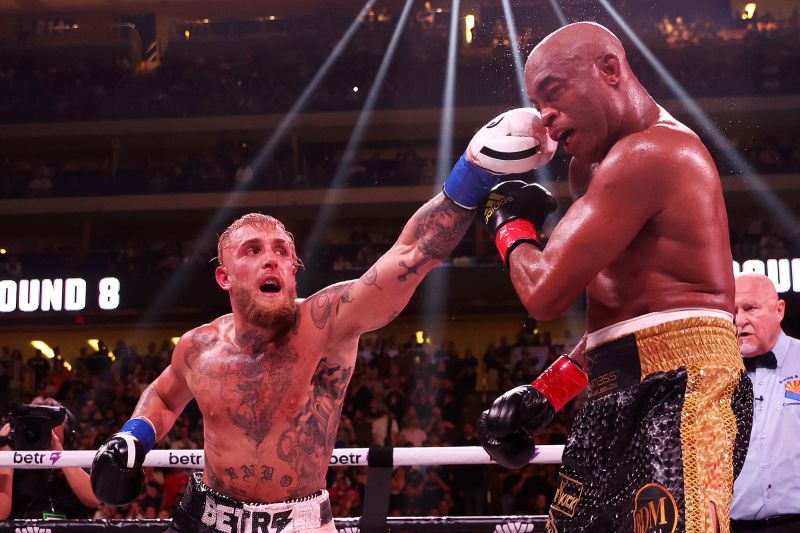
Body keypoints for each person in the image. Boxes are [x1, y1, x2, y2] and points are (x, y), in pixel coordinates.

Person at [89, 108, 556, 532]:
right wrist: (132, 437)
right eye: (253, 251)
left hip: (300, 522)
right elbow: (166, 396)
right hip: (205, 518)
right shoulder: (197, 346)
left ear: (295, 271)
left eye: (282, 252)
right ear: (224, 276)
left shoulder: (326, 322)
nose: (271, 260)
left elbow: (412, 252)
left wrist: (472, 173)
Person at [476, 22, 753, 533]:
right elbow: (624, 313)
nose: (544, 116)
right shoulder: (591, 170)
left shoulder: (650, 153)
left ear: (609, 69)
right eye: (537, 102)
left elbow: (543, 293)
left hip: (684, 387)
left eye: (552, 92)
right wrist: (550, 390)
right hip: (613, 385)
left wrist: (507, 223)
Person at [730, 273, 800, 532]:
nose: (739, 320)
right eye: (732, 311)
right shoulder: (716, 377)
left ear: (779, 310)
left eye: (750, 308)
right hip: (736, 526)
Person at [0, 397, 100, 520]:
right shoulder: (12, 469)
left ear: (67, 434)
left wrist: (60, 456)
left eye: (50, 424)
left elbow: (95, 499)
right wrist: (5, 453)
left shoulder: (77, 463)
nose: (44, 431)